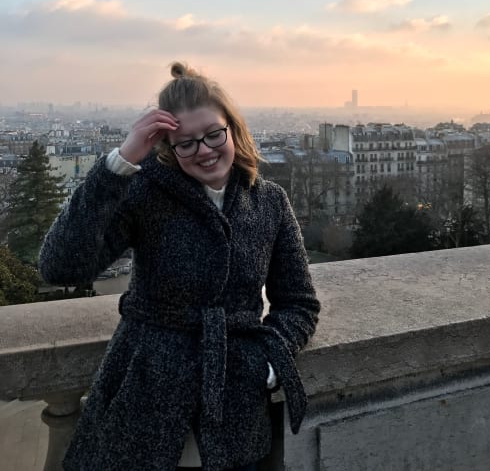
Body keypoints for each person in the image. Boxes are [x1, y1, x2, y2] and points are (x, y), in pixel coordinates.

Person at [39, 62, 320, 471]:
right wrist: (118, 164)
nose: (204, 150)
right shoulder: (143, 193)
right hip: (144, 391)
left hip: (233, 401)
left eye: (212, 135)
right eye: (185, 144)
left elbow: (299, 303)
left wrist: (269, 360)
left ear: (233, 129)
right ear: (168, 149)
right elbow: (61, 266)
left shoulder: (269, 201)